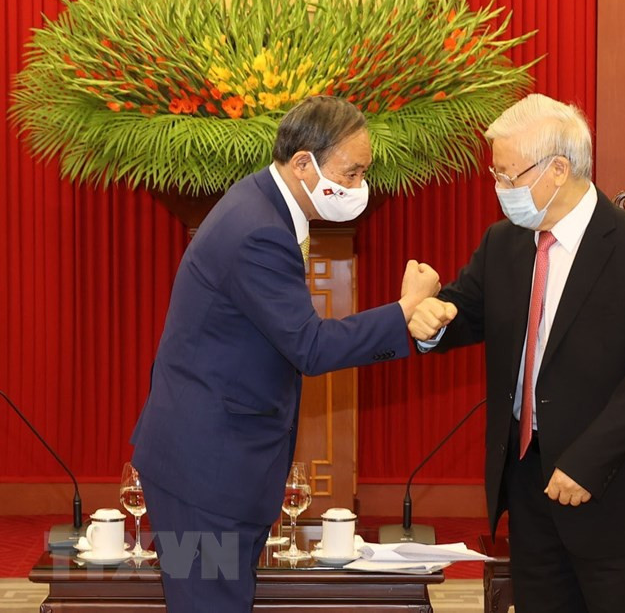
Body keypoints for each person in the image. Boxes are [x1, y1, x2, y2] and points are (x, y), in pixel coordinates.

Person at [131, 96, 440, 612]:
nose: (359, 186)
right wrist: (405, 310)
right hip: (207, 471)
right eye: (352, 172)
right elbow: (310, 346)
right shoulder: (259, 231)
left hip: (218, 463)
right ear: (303, 163)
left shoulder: (261, 203)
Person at [410, 93, 625, 612]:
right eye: (495, 176)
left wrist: (586, 463)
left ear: (558, 169)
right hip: (528, 482)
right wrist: (431, 319)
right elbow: (463, 310)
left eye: (509, 176)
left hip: (619, 496)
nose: (500, 190)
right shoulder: (505, 243)